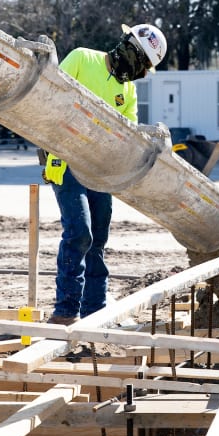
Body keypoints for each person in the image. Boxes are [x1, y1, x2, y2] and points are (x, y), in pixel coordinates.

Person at [43, 24, 167, 325]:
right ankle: (66, 311)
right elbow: (50, 96)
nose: (140, 73)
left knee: (97, 239)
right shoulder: (83, 59)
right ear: (128, 49)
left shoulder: (128, 90)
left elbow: (129, 134)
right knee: (79, 233)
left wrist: (152, 140)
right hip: (67, 162)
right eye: (142, 64)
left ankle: (94, 311)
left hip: (101, 171)